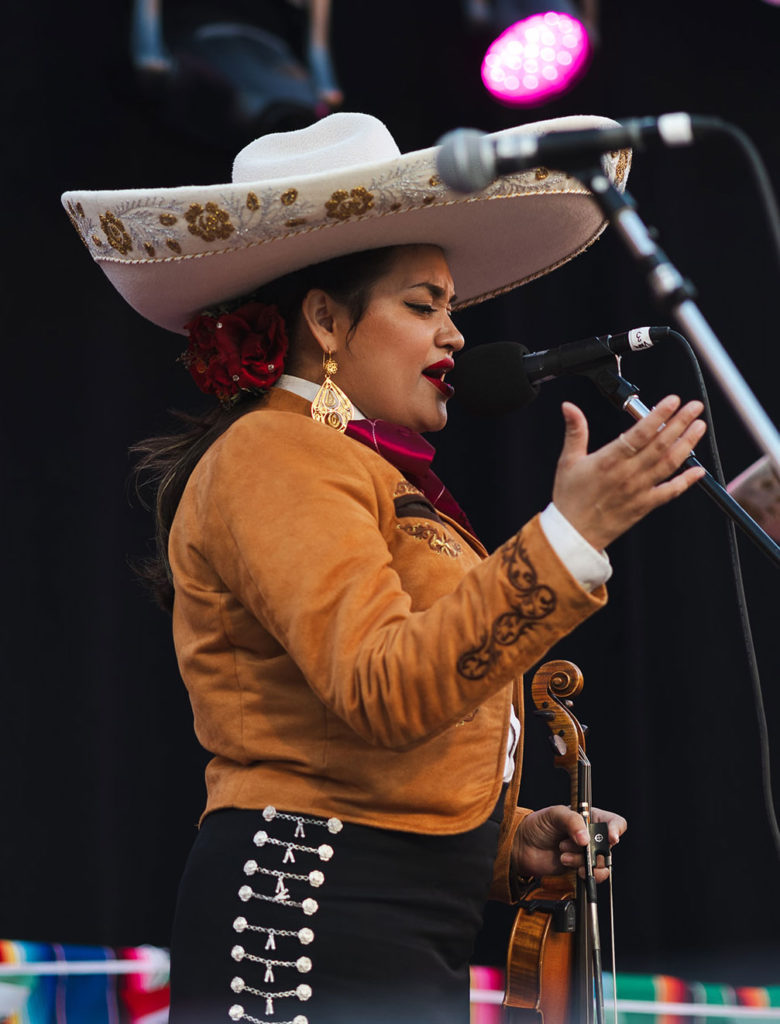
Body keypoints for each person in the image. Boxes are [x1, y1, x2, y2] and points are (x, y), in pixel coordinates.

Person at [62, 112, 706, 1024]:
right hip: (309, 920)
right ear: (325, 319)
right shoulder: (276, 455)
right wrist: (568, 535)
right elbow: (381, 687)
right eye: (422, 304)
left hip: (382, 929)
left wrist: (504, 843)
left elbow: (377, 749)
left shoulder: (356, 466)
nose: (454, 336)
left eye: (449, 305)